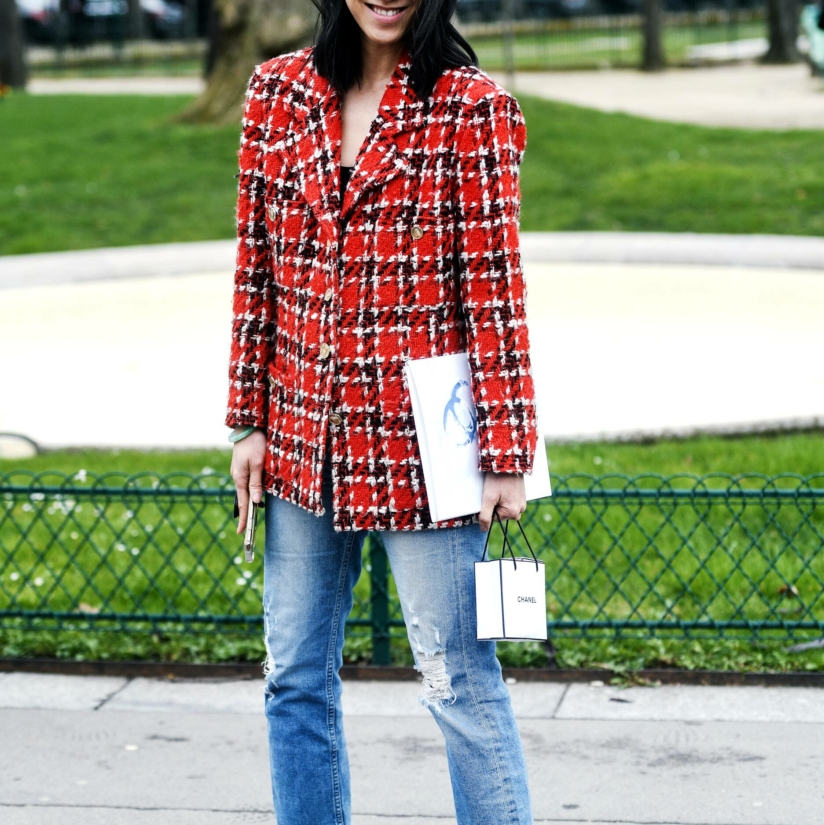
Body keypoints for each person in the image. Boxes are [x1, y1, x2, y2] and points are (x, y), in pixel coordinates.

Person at [225, 0, 539, 821]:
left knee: (457, 685)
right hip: (300, 438)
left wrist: (504, 454)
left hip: (425, 451)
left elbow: (495, 292)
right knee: (292, 679)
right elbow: (256, 269)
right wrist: (249, 420)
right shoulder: (277, 92)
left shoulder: (470, 106)